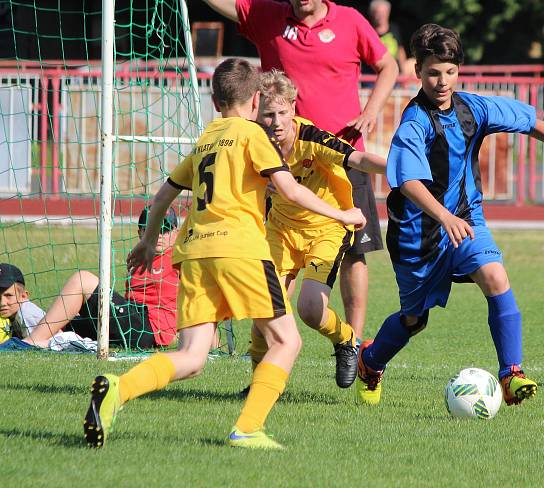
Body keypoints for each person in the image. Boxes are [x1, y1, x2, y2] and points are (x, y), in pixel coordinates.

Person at [82, 58, 365, 450]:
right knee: (288, 342)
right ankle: (247, 428)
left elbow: (163, 196)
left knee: (193, 356)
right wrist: (345, 213)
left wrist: (148, 242)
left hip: (193, 253)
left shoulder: (206, 140)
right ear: (255, 103)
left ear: (215, 102)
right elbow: (291, 191)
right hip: (239, 250)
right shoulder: (254, 137)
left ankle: (120, 387)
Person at [156, 0, 398, 342]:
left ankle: (355, 345)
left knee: (356, 250)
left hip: (340, 153)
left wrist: (372, 110)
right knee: (275, 256)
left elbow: (389, 65)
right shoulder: (267, 17)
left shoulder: (351, 21)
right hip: (280, 159)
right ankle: (272, 348)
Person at [355, 24, 544, 405]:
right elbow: (407, 182)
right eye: (433, 73)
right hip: (417, 235)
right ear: (418, 72)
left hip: (466, 218)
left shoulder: (473, 108)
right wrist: (443, 216)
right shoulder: (414, 123)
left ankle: (511, 374)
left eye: (450, 71)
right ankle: (370, 361)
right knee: (414, 319)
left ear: (459, 69)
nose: (443, 81)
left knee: (495, 276)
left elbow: (530, 123)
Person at [246, 70, 387, 391]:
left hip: (325, 230)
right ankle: (259, 386)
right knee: (262, 311)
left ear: (293, 109)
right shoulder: (253, 142)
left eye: (283, 113)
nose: (277, 122)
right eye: (269, 114)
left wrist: (404, 170)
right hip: (280, 231)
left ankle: (346, 339)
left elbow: (360, 158)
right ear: (256, 113)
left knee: (310, 309)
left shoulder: (311, 138)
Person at [7, 206, 180, 351]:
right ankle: (22, 333)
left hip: (148, 330)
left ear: (176, 233)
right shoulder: (138, 258)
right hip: (131, 324)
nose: (158, 235)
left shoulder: (179, 257)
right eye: (151, 230)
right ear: (140, 233)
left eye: (165, 230)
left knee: (83, 280)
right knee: (63, 324)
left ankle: (30, 343)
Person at [0, 263, 44, 344]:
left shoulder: (27, 314)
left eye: (8, 295)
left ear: (23, 296)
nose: (2, 303)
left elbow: (35, 346)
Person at [367, 0, 409, 74]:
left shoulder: (395, 29)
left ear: (388, 12)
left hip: (395, 75)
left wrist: (404, 73)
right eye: (377, 13)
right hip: (373, 76)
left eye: (383, 12)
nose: (380, 16)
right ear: (371, 13)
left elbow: (400, 51)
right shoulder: (367, 31)